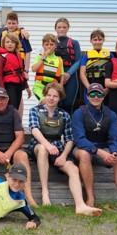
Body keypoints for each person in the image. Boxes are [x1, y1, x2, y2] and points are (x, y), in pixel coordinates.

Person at [27, 83, 102, 215]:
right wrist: (48, 145)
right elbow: (34, 130)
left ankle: (80, 205)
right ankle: (45, 192)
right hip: (38, 145)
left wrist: (63, 156)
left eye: (55, 96)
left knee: (73, 168)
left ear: (59, 98)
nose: (51, 98)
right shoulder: (35, 110)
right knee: (43, 150)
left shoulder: (65, 115)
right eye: (49, 95)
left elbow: (69, 139)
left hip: (57, 149)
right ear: (45, 95)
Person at [72, 83, 117, 217]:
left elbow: (115, 137)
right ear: (87, 96)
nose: (96, 97)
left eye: (99, 94)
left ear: (103, 97)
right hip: (83, 148)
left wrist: (114, 152)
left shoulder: (110, 114)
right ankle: (90, 199)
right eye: (92, 94)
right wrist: (99, 152)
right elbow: (79, 139)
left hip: (103, 148)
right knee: (84, 154)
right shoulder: (79, 113)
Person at [0, 88, 36, 206]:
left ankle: (28, 197)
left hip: (11, 149)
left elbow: (20, 137)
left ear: (7, 100)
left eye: (3, 99)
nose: (0, 101)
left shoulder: (13, 112)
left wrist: (8, 153)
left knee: (23, 155)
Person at [0, 33, 31, 116]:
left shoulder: (18, 55)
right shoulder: (2, 57)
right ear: (3, 44)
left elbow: (21, 72)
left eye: (12, 42)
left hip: (19, 85)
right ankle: (8, 127)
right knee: (11, 108)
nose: (10, 44)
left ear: (16, 44)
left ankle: (13, 127)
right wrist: (3, 90)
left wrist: (27, 87)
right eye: (7, 42)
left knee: (16, 108)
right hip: (9, 85)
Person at [54, 17, 81, 114]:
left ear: (68, 28)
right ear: (55, 28)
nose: (61, 29)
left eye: (64, 27)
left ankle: (69, 126)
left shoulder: (74, 43)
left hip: (70, 74)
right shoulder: (51, 42)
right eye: (59, 27)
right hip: (55, 75)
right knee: (56, 101)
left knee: (69, 102)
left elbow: (78, 60)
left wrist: (68, 74)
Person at [79, 29, 114, 104]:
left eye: (100, 39)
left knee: (105, 110)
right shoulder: (86, 55)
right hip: (90, 84)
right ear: (91, 41)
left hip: (105, 86)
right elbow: (82, 73)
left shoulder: (110, 55)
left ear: (103, 40)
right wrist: (89, 88)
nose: (97, 42)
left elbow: (114, 72)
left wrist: (107, 89)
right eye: (95, 40)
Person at [31, 34, 64, 101]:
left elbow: (62, 75)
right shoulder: (39, 56)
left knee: (50, 105)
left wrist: (61, 86)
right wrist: (43, 57)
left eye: (51, 44)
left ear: (55, 46)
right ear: (43, 45)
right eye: (47, 44)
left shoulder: (59, 60)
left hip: (52, 89)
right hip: (39, 87)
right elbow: (33, 69)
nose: (49, 46)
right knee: (45, 101)